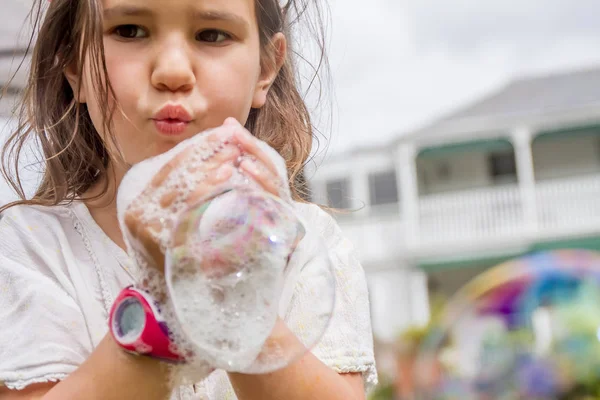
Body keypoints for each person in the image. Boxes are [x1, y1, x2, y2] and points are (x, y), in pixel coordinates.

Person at [0, 0, 377, 399]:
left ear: (266, 69)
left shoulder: (307, 242)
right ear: (74, 65)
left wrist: (236, 290)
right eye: (130, 30)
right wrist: (162, 301)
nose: (173, 72)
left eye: (212, 35)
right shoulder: (30, 249)